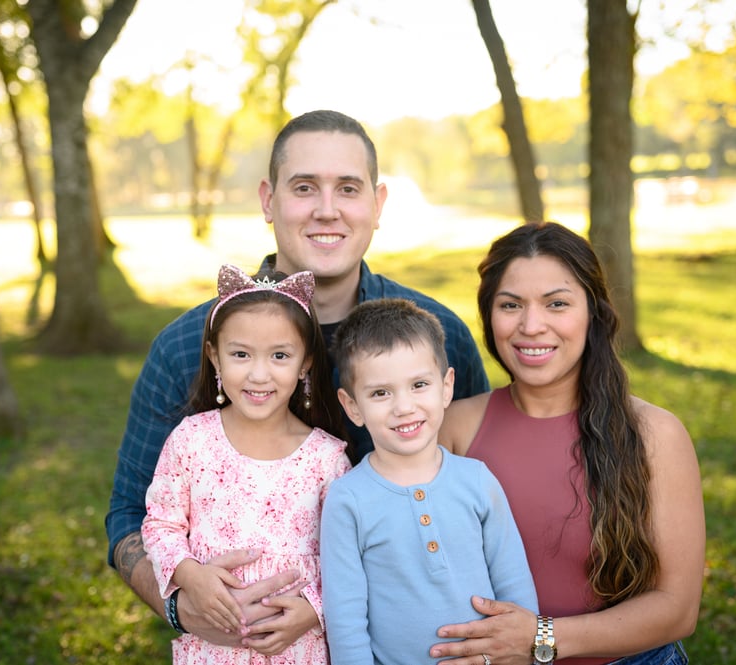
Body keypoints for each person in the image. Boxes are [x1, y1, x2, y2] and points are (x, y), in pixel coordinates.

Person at [106, 109, 490, 647]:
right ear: (268, 200)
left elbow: (482, 496)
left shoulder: (439, 338)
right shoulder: (184, 347)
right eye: (304, 187)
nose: (326, 210)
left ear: (377, 204)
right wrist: (182, 608)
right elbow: (130, 515)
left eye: (348, 189)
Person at [427, 221, 705, 665]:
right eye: (510, 305)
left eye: (556, 303)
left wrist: (539, 638)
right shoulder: (452, 429)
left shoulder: (655, 435)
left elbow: (677, 608)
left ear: (593, 313)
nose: (531, 325)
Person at [141, 263, 352, 663]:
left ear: (305, 363)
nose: (258, 374)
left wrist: (315, 611)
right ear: (215, 357)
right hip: (213, 651)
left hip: (299, 651)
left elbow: (351, 559)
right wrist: (190, 575)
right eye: (240, 354)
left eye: (279, 355)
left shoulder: (327, 460)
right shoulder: (192, 440)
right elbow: (161, 524)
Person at [320, 298, 538, 664]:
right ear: (353, 406)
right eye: (380, 393)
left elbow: (515, 586)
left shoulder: (477, 481)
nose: (404, 407)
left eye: (419, 384)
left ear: (446, 386)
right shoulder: (348, 499)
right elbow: (346, 622)